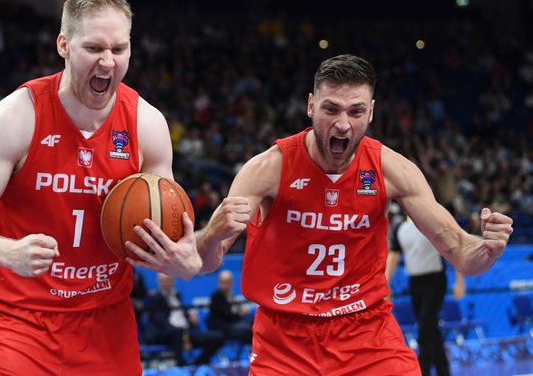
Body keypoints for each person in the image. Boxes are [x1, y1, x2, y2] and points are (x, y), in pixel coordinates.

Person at [128, 54, 514, 375]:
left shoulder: (392, 169)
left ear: (372, 113)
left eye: (356, 111)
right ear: (311, 105)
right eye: (331, 109)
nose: (343, 123)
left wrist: (487, 248)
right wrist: (210, 236)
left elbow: (461, 252)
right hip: (285, 337)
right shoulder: (268, 168)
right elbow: (207, 260)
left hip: (366, 330)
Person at [0, 0, 201, 375]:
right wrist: (7, 253)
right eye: (94, 47)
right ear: (64, 45)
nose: (108, 62)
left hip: (106, 329)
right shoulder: (16, 116)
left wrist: (183, 260)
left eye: (119, 48)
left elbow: (167, 232)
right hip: (18, 325)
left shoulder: (147, 124)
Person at [386, 213, 465, 376]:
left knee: (424, 326)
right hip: (415, 282)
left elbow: (453, 250)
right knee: (431, 329)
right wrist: (385, 282)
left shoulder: (433, 225)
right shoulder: (401, 228)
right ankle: (444, 371)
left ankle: (423, 371)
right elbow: (394, 255)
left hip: (435, 280)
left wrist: (460, 281)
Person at [143, 273, 224, 366]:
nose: (167, 283)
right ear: (159, 282)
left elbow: (181, 314)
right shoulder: (154, 297)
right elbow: (160, 321)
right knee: (177, 333)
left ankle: (198, 365)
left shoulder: (177, 295)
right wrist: (184, 337)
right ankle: (182, 366)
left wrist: (190, 316)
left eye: (170, 280)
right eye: (164, 280)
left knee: (218, 337)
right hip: (167, 334)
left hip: (185, 332)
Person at [207, 270, 253, 345]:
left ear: (231, 282)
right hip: (223, 327)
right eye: (223, 282)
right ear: (219, 282)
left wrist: (240, 312)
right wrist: (239, 313)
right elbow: (225, 314)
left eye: (227, 282)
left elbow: (234, 309)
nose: (225, 285)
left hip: (234, 324)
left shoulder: (230, 295)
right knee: (249, 329)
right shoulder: (216, 296)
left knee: (254, 323)